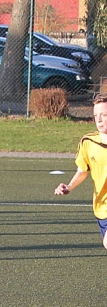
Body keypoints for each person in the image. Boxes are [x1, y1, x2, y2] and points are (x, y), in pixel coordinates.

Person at [54, 92, 107, 250]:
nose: (99, 120)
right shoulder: (88, 142)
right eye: (96, 115)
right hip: (102, 207)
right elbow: (83, 170)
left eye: (104, 115)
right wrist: (69, 187)